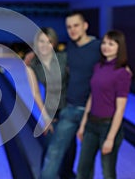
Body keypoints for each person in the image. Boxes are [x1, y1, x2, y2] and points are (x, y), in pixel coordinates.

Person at [40, 11, 102, 179]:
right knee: (53, 154)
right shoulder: (70, 48)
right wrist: (31, 56)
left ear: (85, 26)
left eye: (76, 25)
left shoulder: (98, 47)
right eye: (69, 27)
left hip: (92, 112)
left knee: (86, 162)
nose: (72, 29)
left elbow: (113, 64)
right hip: (69, 109)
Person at [76, 30, 131, 179]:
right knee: (82, 170)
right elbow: (92, 97)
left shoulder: (122, 73)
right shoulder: (98, 67)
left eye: (111, 44)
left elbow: (120, 110)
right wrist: (83, 125)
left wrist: (111, 138)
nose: (106, 46)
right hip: (91, 125)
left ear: (120, 47)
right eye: (105, 43)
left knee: (108, 173)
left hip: (108, 127)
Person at [25, 27, 75, 179]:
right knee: (48, 152)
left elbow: (79, 75)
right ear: (36, 43)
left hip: (69, 110)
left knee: (69, 151)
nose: (44, 45)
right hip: (51, 111)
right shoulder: (32, 65)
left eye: (49, 42)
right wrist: (46, 117)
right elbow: (35, 93)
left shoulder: (64, 58)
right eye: (41, 41)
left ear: (53, 44)